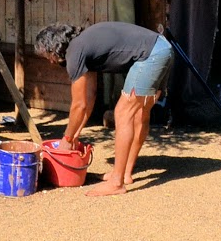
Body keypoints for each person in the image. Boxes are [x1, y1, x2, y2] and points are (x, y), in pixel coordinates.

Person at [33, 21, 173, 196]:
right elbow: (89, 97)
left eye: (47, 56)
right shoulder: (84, 45)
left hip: (150, 55)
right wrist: (75, 135)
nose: (50, 61)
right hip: (162, 47)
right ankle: (125, 174)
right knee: (139, 114)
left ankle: (116, 183)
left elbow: (78, 104)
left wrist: (67, 138)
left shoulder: (75, 53)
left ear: (52, 48)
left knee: (123, 113)